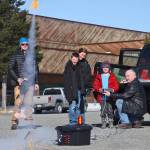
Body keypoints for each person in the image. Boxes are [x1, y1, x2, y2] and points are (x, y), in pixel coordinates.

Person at [8, 37, 39, 130]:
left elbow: (36, 69)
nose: (25, 46)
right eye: (23, 44)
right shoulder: (15, 55)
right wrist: (18, 78)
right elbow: (10, 68)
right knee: (18, 102)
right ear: (20, 45)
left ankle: (29, 121)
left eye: (26, 44)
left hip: (29, 83)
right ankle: (14, 122)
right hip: (19, 84)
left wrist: (36, 82)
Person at [93, 61, 119, 128]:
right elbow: (95, 85)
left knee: (110, 110)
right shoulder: (98, 76)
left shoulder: (112, 76)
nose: (105, 68)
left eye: (106, 67)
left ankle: (111, 122)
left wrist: (112, 90)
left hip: (109, 96)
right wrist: (99, 89)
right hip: (101, 96)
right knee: (103, 110)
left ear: (109, 69)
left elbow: (116, 86)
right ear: (102, 68)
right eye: (104, 67)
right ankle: (104, 123)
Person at [64, 52, 85, 124]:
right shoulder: (68, 67)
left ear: (78, 59)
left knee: (78, 107)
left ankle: (78, 122)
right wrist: (68, 91)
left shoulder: (80, 67)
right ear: (71, 58)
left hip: (78, 90)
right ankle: (72, 122)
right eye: (73, 59)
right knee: (72, 107)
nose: (75, 60)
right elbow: (66, 81)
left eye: (76, 59)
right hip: (71, 90)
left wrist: (82, 89)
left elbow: (82, 79)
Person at [78, 48, 92, 123]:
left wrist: (89, 87)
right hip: (77, 87)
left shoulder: (86, 63)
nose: (83, 55)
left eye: (84, 54)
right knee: (76, 105)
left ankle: (81, 122)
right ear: (79, 53)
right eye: (82, 53)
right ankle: (75, 122)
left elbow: (88, 76)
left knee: (82, 106)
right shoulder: (76, 62)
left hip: (84, 87)